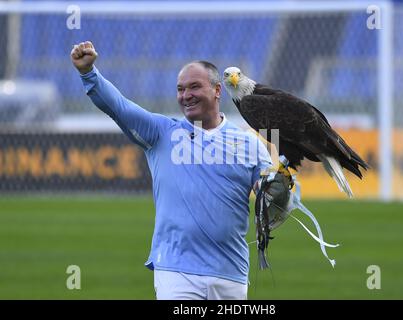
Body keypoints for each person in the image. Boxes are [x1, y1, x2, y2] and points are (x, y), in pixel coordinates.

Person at [70, 41, 272, 300]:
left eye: (194, 86)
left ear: (217, 90)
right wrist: (89, 73)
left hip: (230, 274)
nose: (186, 95)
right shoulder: (161, 133)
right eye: (180, 89)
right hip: (177, 273)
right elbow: (118, 106)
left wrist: (277, 192)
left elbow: (278, 197)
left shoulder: (249, 143)